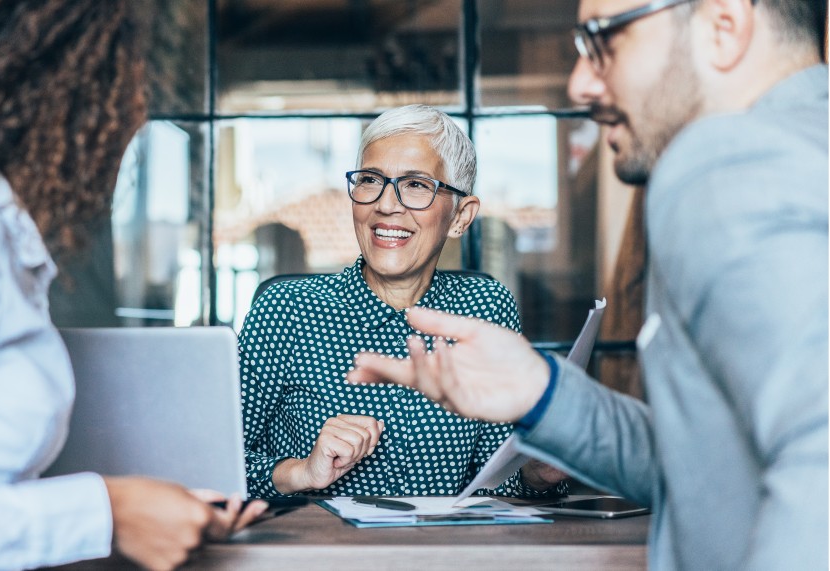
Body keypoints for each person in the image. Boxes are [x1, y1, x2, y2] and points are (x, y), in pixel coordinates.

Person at [349, 0, 828, 569]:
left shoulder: (728, 164)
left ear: (724, 27)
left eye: (605, 40)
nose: (580, 82)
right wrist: (545, 395)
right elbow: (709, 463)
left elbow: (816, 459)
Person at [0, 2, 265, 570]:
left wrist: (141, 509)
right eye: (124, 83)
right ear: (69, 95)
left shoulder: (2, 241)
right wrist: (108, 514)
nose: (137, 112)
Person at [240, 104, 568, 498]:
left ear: (461, 216)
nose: (386, 204)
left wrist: (536, 473)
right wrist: (301, 472)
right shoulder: (286, 310)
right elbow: (214, 467)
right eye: (370, 180)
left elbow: (494, 482)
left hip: (445, 556)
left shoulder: (485, 307)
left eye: (416, 185)